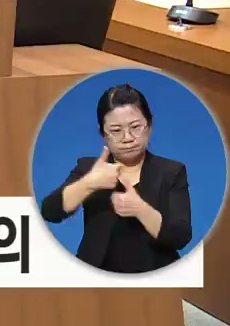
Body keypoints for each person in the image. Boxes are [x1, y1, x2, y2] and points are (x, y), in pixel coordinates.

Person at [39, 84, 192, 273]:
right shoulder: (90, 168)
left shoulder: (171, 171)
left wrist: (141, 209)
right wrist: (89, 183)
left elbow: (180, 237)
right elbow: (50, 211)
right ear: (103, 134)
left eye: (135, 127)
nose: (127, 138)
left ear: (149, 126)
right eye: (116, 130)